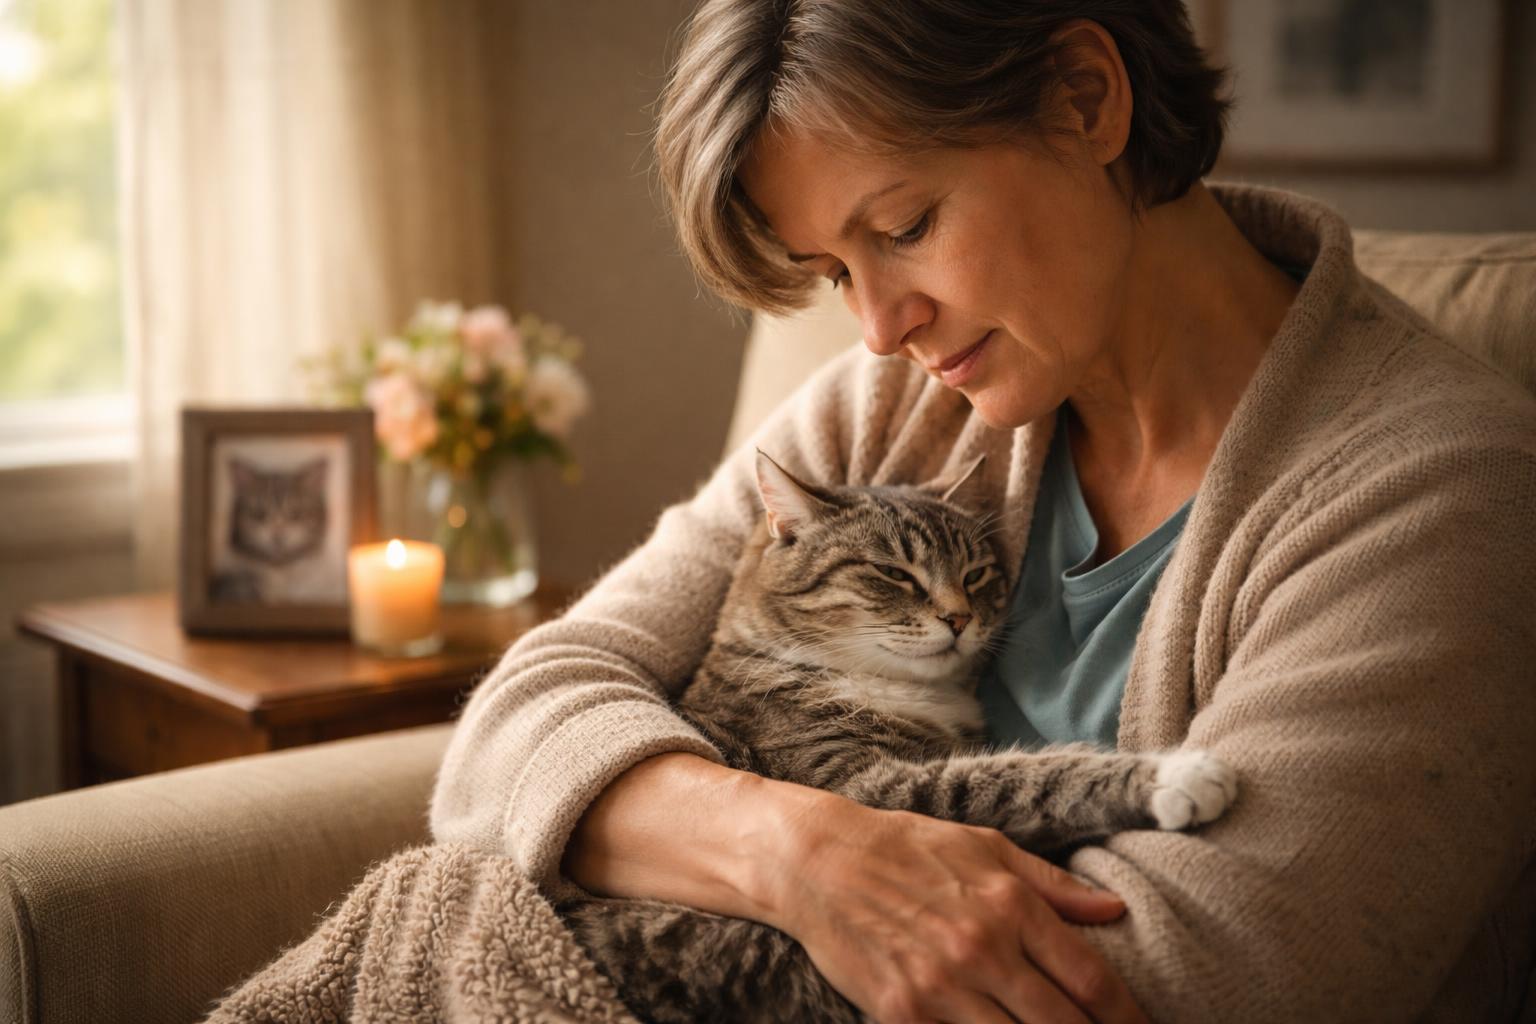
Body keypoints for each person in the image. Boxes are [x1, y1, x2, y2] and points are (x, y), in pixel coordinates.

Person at [430, 1, 1536, 1021]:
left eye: (905, 227)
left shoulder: (1442, 489)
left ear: (1087, 98)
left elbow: (1175, 975)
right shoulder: (889, 410)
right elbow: (515, 728)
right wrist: (799, 854)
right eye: (832, 272)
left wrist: (677, 839)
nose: (877, 326)